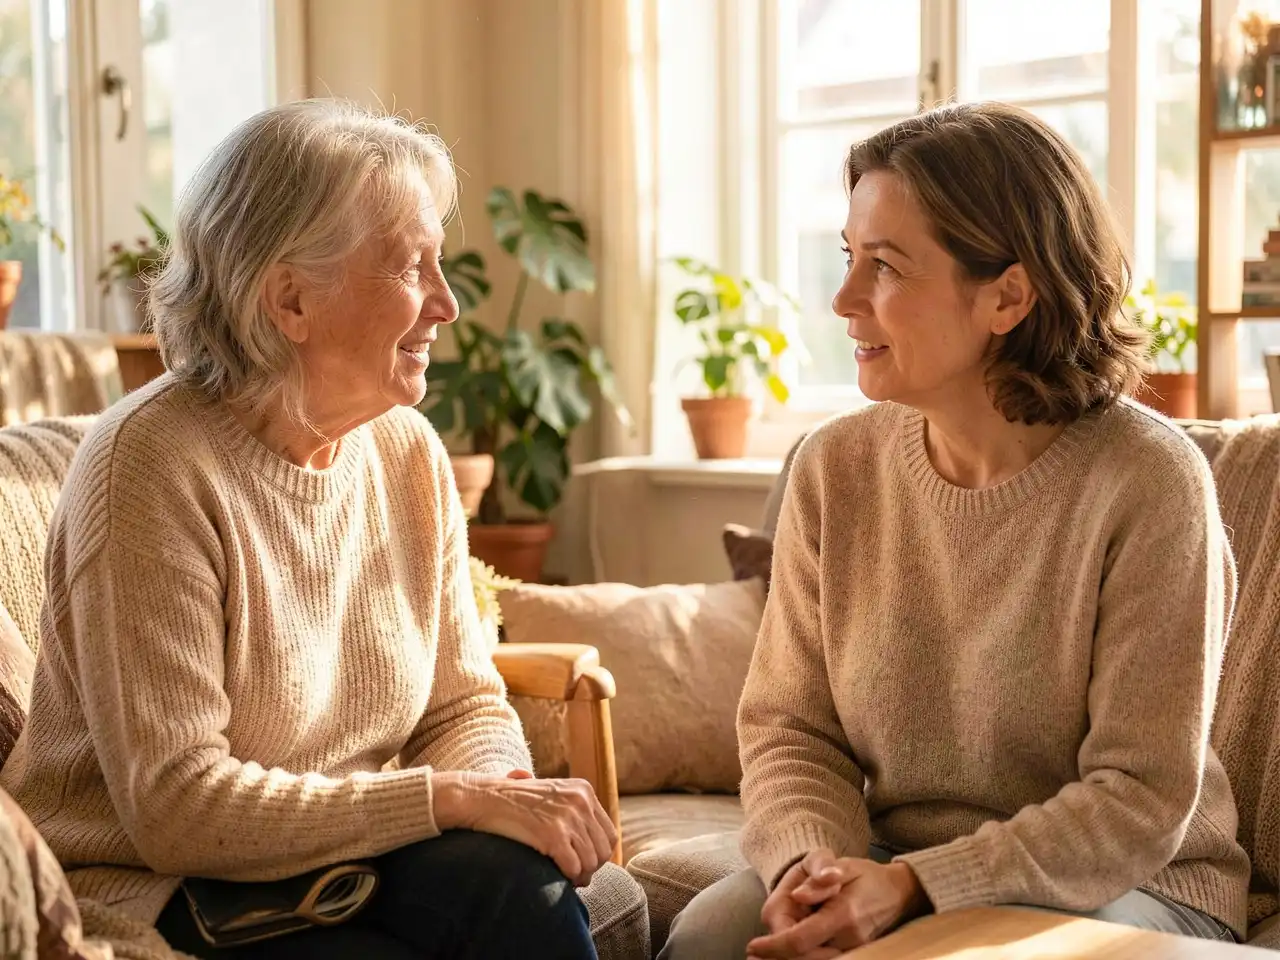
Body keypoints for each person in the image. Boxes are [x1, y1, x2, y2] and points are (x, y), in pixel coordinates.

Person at [0, 99, 617, 960]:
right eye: (411, 268)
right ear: (291, 299)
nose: (445, 304)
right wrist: (450, 801)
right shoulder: (147, 469)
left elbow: (462, 701)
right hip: (171, 888)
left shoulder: (405, 450)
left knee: (525, 888)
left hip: (356, 854)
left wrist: (508, 796)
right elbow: (179, 807)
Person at [660, 101, 1250, 960]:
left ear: (1009, 295)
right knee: (711, 936)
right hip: (897, 864)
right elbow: (791, 726)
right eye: (848, 257)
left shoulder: (1150, 485)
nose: (844, 298)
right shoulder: (834, 468)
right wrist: (811, 869)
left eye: (888, 268)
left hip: (1136, 887)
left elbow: (1137, 799)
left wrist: (919, 887)